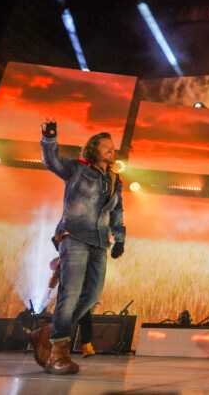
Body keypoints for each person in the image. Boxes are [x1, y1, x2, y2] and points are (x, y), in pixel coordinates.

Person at [30, 119, 125, 374]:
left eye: (113, 148)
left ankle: (49, 332)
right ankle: (57, 355)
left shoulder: (115, 179)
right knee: (69, 294)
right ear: (94, 149)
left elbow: (117, 212)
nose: (111, 151)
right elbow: (52, 161)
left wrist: (120, 239)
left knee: (92, 296)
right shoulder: (76, 169)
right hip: (73, 237)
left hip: (99, 242)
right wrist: (49, 138)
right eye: (106, 147)